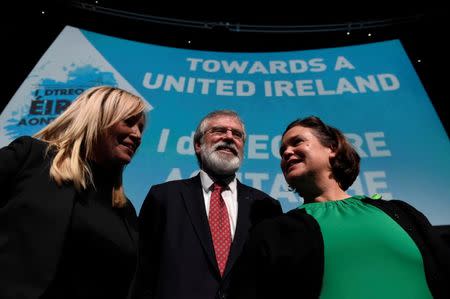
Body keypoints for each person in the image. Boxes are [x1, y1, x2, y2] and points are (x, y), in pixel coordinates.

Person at [230, 116, 450, 299]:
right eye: (282, 150)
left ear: (332, 148)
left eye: (297, 142)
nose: (287, 152)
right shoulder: (272, 232)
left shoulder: (401, 213)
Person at [0, 86, 149, 299]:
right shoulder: (30, 157)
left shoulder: (125, 210)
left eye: (141, 129)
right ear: (97, 118)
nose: (137, 135)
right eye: (129, 122)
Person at [133, 110, 282, 299]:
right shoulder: (164, 197)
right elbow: (142, 272)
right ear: (198, 145)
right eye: (219, 131)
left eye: (237, 134)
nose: (229, 137)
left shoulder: (266, 206)